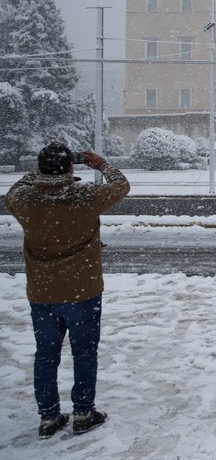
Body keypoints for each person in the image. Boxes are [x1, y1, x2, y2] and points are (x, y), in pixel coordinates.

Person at [4, 143, 130, 438]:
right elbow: (121, 184)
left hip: (42, 292)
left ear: (41, 168)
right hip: (83, 290)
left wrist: (40, 170)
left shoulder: (25, 201)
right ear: (71, 168)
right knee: (84, 352)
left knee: (45, 355)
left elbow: (13, 192)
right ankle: (83, 412)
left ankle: (48, 416)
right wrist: (101, 164)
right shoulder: (86, 197)